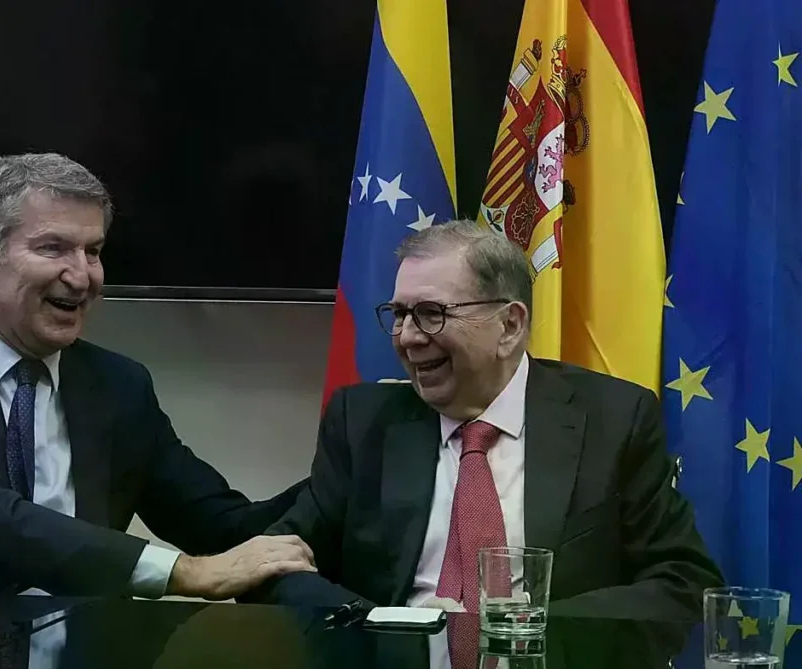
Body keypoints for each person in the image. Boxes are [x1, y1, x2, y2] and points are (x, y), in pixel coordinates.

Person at [0, 152, 315, 602]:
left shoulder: (117, 385)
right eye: (53, 248)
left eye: (92, 251)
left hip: (68, 660)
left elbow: (226, 527)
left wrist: (361, 456)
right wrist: (180, 573)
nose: (83, 275)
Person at [255, 219, 722, 615]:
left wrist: (531, 628)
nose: (408, 337)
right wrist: (379, 626)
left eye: (431, 314)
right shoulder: (361, 424)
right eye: (399, 315)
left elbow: (681, 579)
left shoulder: (614, 419)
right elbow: (276, 562)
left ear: (510, 325)